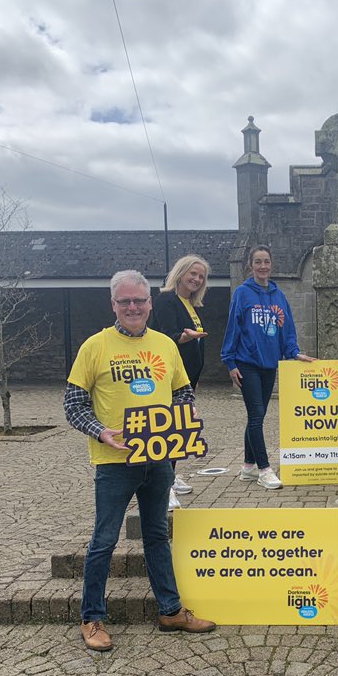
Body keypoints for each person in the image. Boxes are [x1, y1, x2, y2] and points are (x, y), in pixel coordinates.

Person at [65, 269, 216, 652]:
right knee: (104, 540)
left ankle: (170, 610)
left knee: (157, 536)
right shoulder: (95, 346)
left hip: (159, 458)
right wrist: (101, 432)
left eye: (139, 300)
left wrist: (182, 421)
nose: (132, 307)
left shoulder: (165, 345)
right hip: (114, 462)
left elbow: (183, 391)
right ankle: (92, 617)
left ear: (150, 303)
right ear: (113, 304)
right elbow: (73, 404)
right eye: (124, 301)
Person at [221, 245, 315, 489]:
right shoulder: (242, 293)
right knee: (255, 415)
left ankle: (248, 467)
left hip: (269, 364)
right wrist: (230, 362)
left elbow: (288, 330)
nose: (263, 266)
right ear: (250, 265)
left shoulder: (279, 295)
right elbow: (233, 327)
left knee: (258, 415)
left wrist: (294, 353)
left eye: (266, 262)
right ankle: (264, 470)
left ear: (271, 265)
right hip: (246, 363)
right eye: (258, 262)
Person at [151, 255, 211, 506]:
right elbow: (165, 336)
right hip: (170, 378)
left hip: (187, 378)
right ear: (181, 272)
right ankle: (162, 487)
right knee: (170, 429)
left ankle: (170, 477)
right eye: (193, 274)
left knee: (180, 430)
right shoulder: (166, 300)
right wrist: (182, 338)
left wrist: (193, 379)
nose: (196, 279)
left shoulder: (191, 305)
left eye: (201, 276)